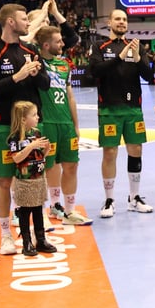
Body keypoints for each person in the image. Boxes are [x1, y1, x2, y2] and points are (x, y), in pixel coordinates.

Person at [0, 3, 50, 255]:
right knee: (5, 179)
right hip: (5, 127)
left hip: (32, 127)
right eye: (23, 19)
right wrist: (17, 77)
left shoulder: (29, 48)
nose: (27, 23)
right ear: (10, 22)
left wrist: (37, 72)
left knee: (33, 176)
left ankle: (35, 232)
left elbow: (45, 84)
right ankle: (5, 233)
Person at [89, 9, 155, 217]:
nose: (121, 22)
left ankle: (134, 197)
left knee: (136, 150)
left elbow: (149, 76)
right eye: (117, 19)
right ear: (109, 23)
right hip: (109, 108)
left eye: (124, 19)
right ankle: (109, 199)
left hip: (133, 108)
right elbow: (96, 72)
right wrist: (120, 56)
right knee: (110, 153)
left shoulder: (137, 47)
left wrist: (137, 58)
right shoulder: (98, 46)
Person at [36, 24, 92, 226]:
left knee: (72, 165)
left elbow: (70, 96)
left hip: (65, 123)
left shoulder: (64, 65)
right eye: (58, 41)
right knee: (43, 168)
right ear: (45, 44)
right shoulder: (35, 62)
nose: (62, 44)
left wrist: (76, 125)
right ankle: (41, 214)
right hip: (46, 123)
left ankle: (69, 212)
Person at [7, 101, 56, 256]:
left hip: (39, 178)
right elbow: (17, 158)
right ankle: (26, 241)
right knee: (25, 211)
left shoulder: (36, 133)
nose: (37, 117)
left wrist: (46, 150)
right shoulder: (15, 137)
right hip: (25, 180)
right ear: (23, 119)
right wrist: (31, 146)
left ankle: (40, 239)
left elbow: (39, 156)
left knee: (38, 210)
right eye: (34, 115)